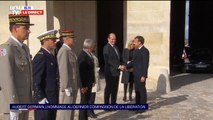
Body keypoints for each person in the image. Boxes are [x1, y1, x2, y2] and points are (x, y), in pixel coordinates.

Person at [0, 14, 34, 120]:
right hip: (14, 104)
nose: (29, 31)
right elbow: (6, 79)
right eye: (26, 28)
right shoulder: (6, 48)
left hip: (24, 102)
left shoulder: (25, 48)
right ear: (15, 28)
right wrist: (13, 105)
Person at [32, 29, 59, 120]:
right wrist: (40, 97)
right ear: (45, 41)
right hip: (44, 98)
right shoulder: (40, 56)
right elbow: (36, 79)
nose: (55, 42)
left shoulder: (50, 55)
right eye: (53, 40)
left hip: (51, 97)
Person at [57, 29, 79, 120]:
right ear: (66, 38)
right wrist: (66, 86)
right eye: (72, 38)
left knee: (71, 111)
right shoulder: (64, 51)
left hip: (72, 85)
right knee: (66, 112)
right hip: (68, 86)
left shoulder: (70, 50)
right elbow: (63, 69)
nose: (74, 40)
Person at [127, 35, 149, 114]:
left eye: (135, 41)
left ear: (140, 42)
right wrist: (125, 66)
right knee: (137, 91)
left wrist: (144, 75)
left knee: (142, 91)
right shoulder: (136, 51)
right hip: (135, 74)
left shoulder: (145, 51)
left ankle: (142, 107)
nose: (134, 43)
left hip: (141, 75)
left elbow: (145, 64)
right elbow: (133, 62)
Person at [103, 33, 125, 107]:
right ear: (108, 39)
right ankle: (106, 105)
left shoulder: (116, 47)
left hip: (116, 72)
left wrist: (122, 64)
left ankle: (113, 103)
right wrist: (118, 66)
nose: (113, 40)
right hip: (110, 72)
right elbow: (108, 60)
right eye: (112, 39)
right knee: (108, 89)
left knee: (115, 89)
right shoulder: (106, 47)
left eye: (115, 39)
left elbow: (119, 58)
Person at [78, 38, 95, 120]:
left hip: (88, 83)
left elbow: (91, 70)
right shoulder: (82, 56)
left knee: (86, 102)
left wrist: (93, 80)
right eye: (93, 46)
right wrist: (83, 86)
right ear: (89, 47)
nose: (94, 48)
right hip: (85, 85)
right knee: (83, 102)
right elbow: (81, 73)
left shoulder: (88, 54)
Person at [87, 43, 101, 118]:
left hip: (95, 77)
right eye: (93, 47)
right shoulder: (88, 56)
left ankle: (91, 110)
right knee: (91, 96)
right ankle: (89, 111)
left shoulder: (93, 55)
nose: (94, 48)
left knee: (93, 95)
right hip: (92, 79)